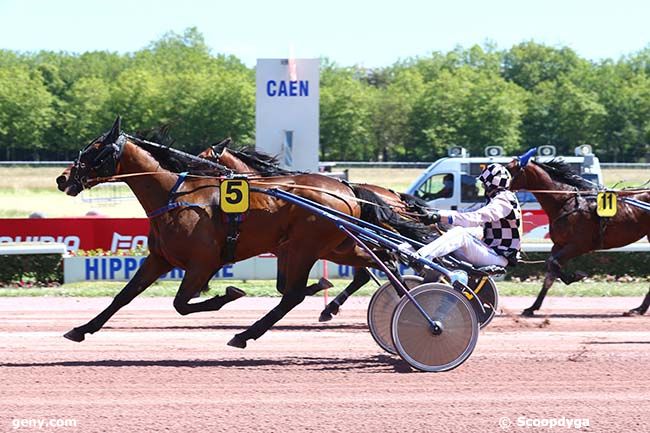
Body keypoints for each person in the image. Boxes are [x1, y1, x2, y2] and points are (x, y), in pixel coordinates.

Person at [417, 163, 522, 269]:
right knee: (452, 233)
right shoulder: (495, 199)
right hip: (492, 252)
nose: (482, 187)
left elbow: (475, 217)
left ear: (488, 185)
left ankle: (422, 257)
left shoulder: (504, 200)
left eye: (483, 184)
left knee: (460, 233)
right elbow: (463, 213)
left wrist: (439, 217)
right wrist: (432, 213)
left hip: (499, 256)